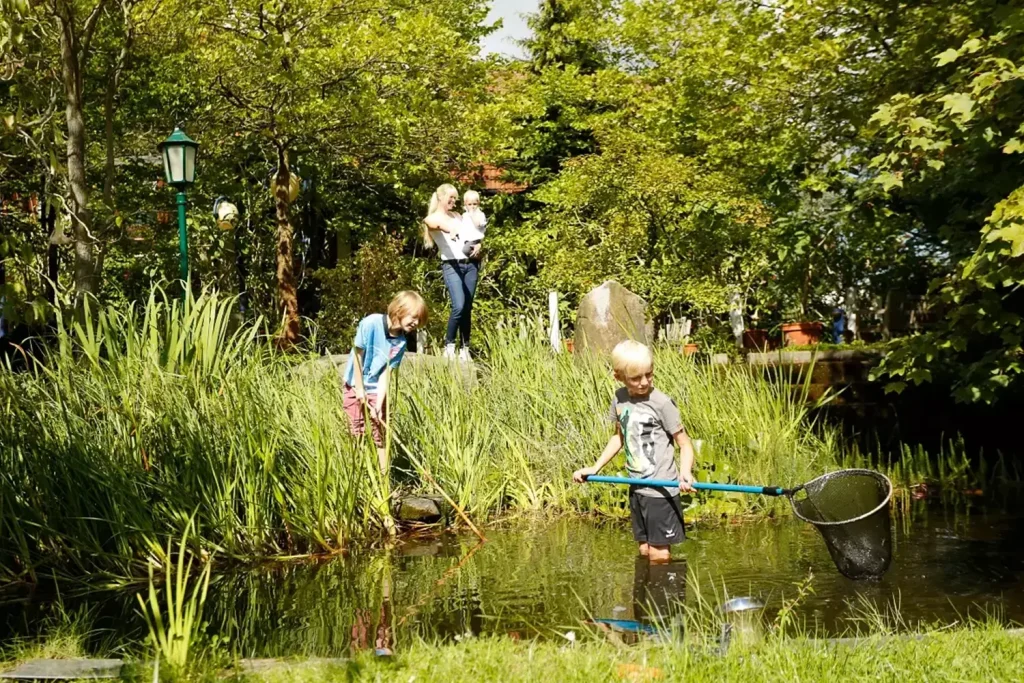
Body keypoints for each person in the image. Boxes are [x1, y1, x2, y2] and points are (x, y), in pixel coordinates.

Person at [573, 340, 696, 563]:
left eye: (649, 375)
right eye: (636, 378)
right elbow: (618, 437)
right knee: (645, 550)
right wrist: (595, 467)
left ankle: (665, 597)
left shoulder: (662, 403)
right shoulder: (620, 399)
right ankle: (644, 597)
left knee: (659, 554)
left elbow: (684, 444)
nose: (644, 382)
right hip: (637, 487)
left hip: (661, 490)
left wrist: (685, 472)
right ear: (619, 376)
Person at [343, 291, 427, 473]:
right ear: (400, 309)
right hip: (354, 385)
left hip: (376, 388)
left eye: (419, 321)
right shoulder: (371, 323)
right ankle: (357, 472)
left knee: (380, 430)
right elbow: (358, 357)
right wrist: (359, 389)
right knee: (356, 429)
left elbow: (385, 374)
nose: (416, 323)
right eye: (414, 317)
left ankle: (383, 475)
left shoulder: (400, 343)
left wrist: (378, 403)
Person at [423, 184, 479, 361]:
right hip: (451, 265)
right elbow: (434, 224)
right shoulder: (432, 218)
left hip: (470, 264)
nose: (454, 201)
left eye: (456, 198)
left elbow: (472, 234)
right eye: (451, 198)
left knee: (468, 308)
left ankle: (465, 347)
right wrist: (450, 229)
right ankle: (449, 345)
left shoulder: (458, 216)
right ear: (441, 197)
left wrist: (478, 244)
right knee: (459, 305)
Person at [459, 190, 487, 259]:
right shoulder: (464, 215)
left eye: (474, 204)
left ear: (478, 203)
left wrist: (472, 215)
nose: (472, 206)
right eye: (469, 204)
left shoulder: (480, 214)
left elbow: (478, 224)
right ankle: (476, 256)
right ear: (465, 204)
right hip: (467, 240)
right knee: (463, 250)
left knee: (465, 251)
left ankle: (480, 257)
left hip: (475, 239)